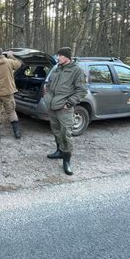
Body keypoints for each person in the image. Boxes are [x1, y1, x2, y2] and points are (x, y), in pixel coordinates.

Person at [44, 47, 87, 175]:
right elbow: (49, 83)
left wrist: (69, 103)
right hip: (52, 106)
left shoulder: (77, 71)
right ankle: (59, 151)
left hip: (64, 109)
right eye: (58, 56)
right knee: (56, 130)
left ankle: (66, 161)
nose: (58, 58)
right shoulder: (57, 68)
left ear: (67, 57)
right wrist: (46, 94)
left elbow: (82, 91)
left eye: (60, 56)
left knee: (66, 134)